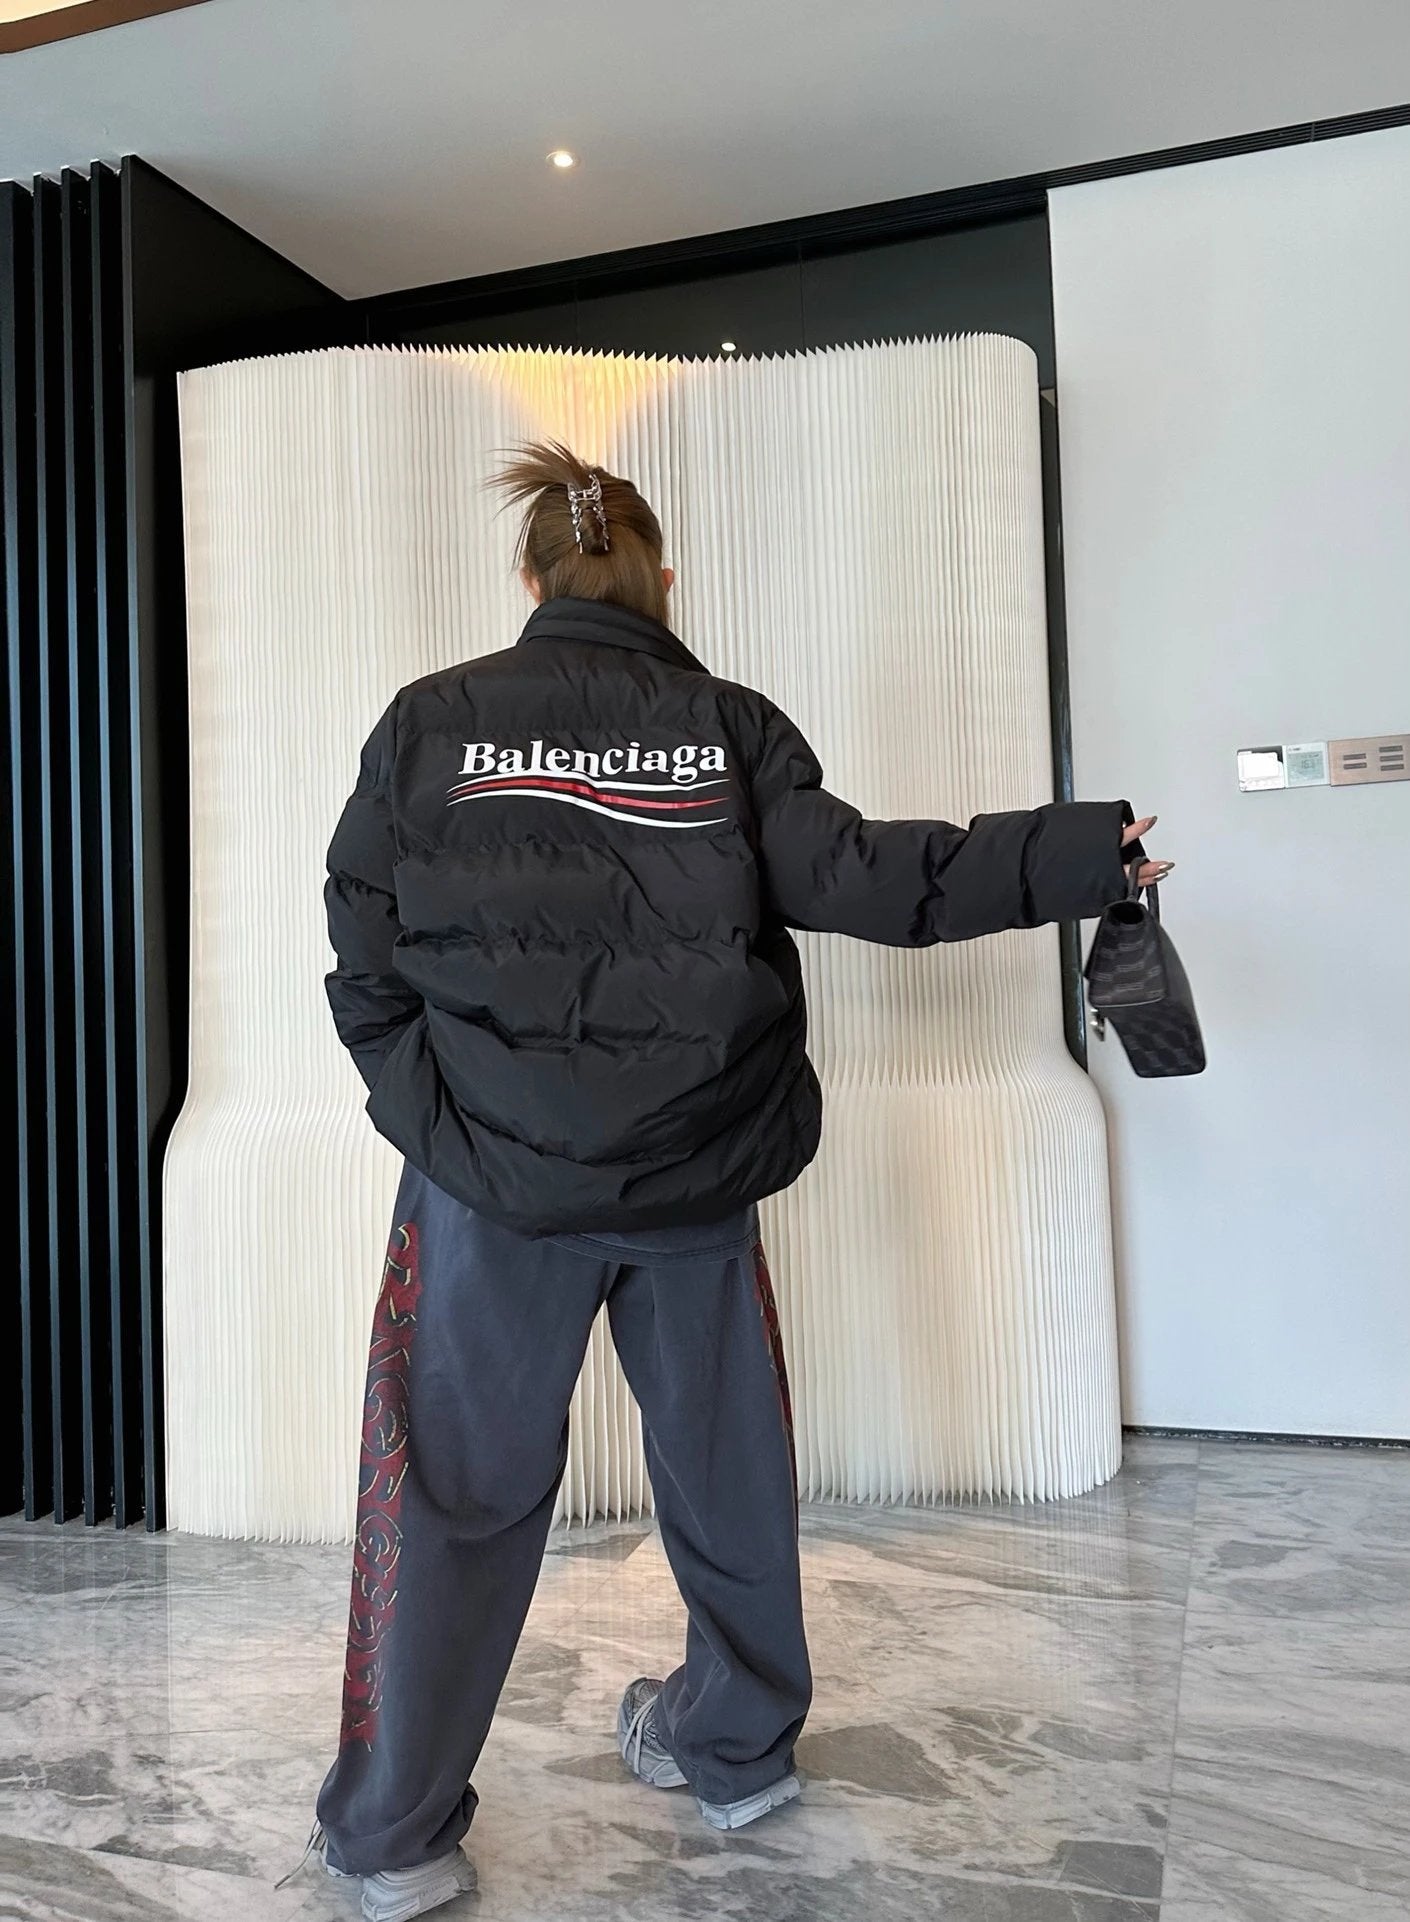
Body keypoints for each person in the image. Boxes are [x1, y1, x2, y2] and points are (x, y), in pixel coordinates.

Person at [292, 443, 1171, 1921]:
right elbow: (882, 877)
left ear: (529, 577)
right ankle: (736, 1749)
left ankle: (393, 1838)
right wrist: (1084, 853)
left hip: (488, 1186)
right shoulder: (726, 728)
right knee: (726, 1469)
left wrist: (435, 1114)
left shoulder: (429, 722)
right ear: (661, 581)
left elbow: (358, 944)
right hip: (690, 1177)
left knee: (446, 1495)